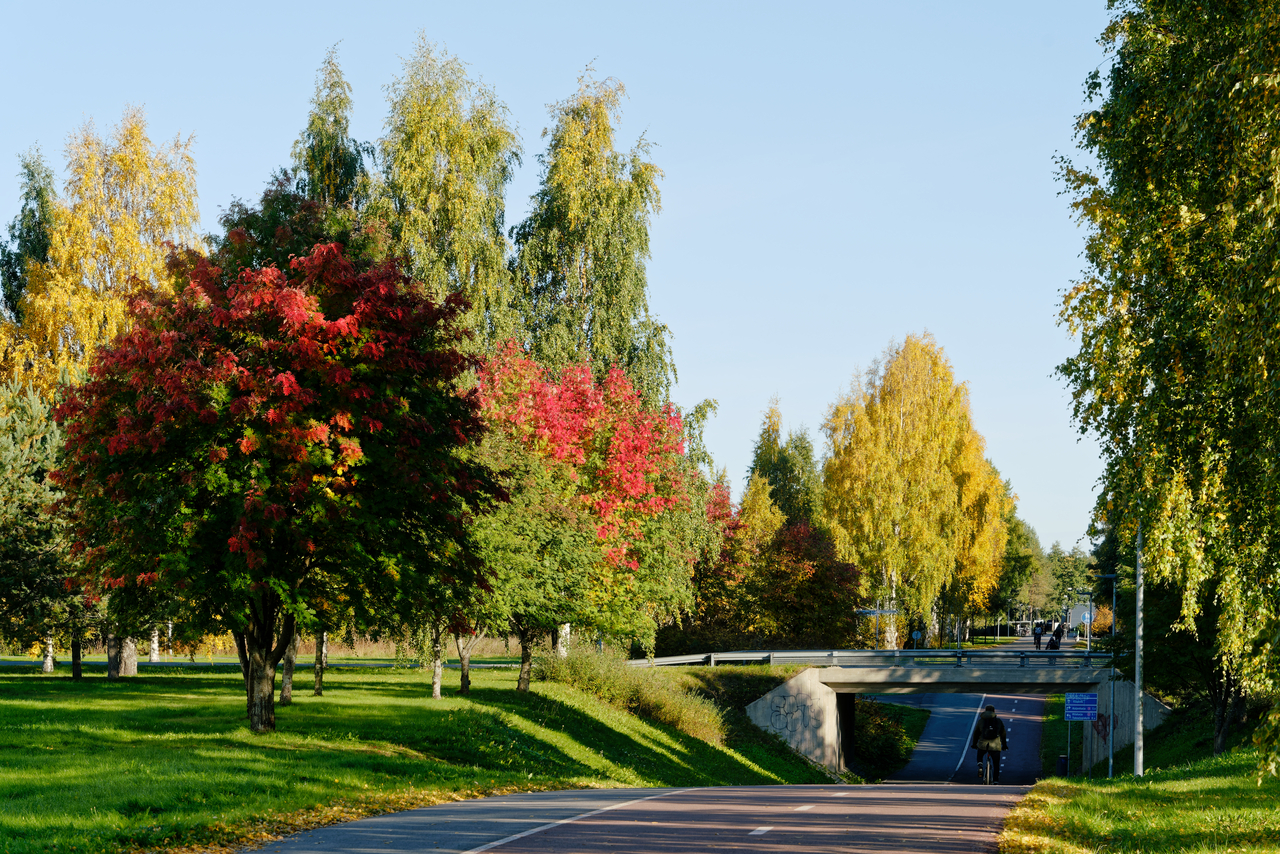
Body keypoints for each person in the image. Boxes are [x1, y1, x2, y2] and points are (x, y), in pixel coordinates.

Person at [971, 704, 1009, 783]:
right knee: (996, 764)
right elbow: (1003, 734)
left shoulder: (981, 721)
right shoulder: (998, 721)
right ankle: (995, 780)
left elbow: (976, 733)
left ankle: (980, 765)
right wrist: (1004, 745)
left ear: (985, 711)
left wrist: (974, 744)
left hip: (983, 744)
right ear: (994, 711)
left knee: (980, 755)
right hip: (995, 745)